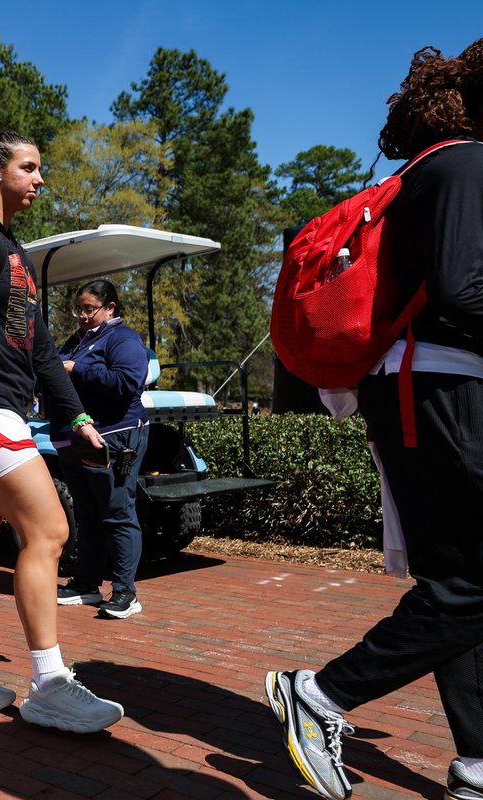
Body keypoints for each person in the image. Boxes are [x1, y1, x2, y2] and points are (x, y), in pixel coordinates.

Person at [265, 39, 483, 800]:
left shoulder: (428, 170)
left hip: (419, 388)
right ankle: (320, 696)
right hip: (442, 388)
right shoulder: (467, 164)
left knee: (458, 578)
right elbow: (462, 291)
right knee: (472, 582)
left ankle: (476, 763)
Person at [0, 131, 124, 734]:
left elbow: (38, 352)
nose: (40, 179)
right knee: (49, 529)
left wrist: (78, 417)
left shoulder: (15, 253)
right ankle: (50, 684)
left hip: (0, 409)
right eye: (28, 168)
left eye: (40, 169)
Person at [54, 281, 149, 619]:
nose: (81, 315)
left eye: (89, 309)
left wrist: (78, 369)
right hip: (75, 440)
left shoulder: (123, 340)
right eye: (78, 309)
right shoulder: (76, 342)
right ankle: (86, 584)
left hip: (115, 437)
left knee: (117, 512)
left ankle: (125, 592)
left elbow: (126, 382)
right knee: (87, 514)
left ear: (111, 308)